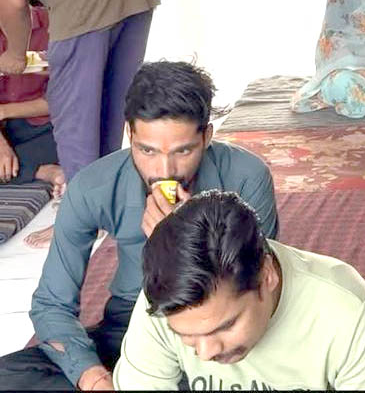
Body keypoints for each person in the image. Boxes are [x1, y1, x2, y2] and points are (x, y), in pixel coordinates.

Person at [0, 61, 278, 392]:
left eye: (183, 151)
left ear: (206, 137)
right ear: (130, 134)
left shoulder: (246, 176)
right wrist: (92, 377)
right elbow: (52, 304)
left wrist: (179, 241)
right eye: (147, 150)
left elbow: (262, 287)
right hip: (129, 321)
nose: (165, 170)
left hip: (215, 325)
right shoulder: (94, 187)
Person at [113, 190, 365, 391]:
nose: (205, 352)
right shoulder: (165, 300)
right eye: (186, 336)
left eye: (225, 326)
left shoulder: (345, 310)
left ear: (266, 275)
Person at [0, 0, 160, 237]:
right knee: (109, 106)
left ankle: (79, 222)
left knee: (74, 115)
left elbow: (13, 3)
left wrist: (14, 54)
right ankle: (104, 208)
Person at [0, 5, 63, 197]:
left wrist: (4, 111)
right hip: (4, 132)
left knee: (77, 140)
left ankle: (23, 169)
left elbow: (63, 98)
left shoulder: (54, 24)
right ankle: (42, 171)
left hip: (42, 128)